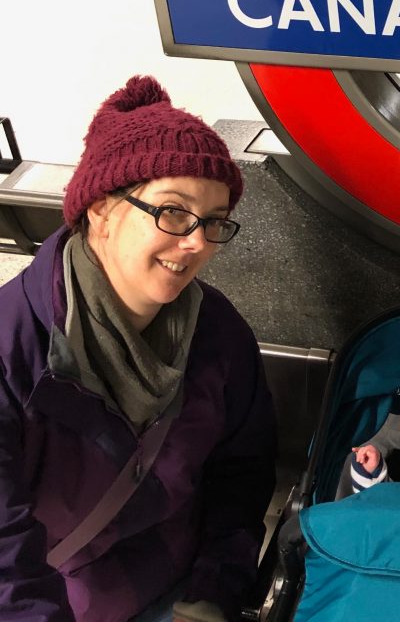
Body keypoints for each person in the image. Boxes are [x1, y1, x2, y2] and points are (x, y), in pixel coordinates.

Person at [0, 76, 276, 622]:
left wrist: (212, 593)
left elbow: (241, 473)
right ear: (101, 208)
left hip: (175, 590)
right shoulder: (13, 352)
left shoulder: (218, 334)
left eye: (214, 221)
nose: (197, 241)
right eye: (173, 211)